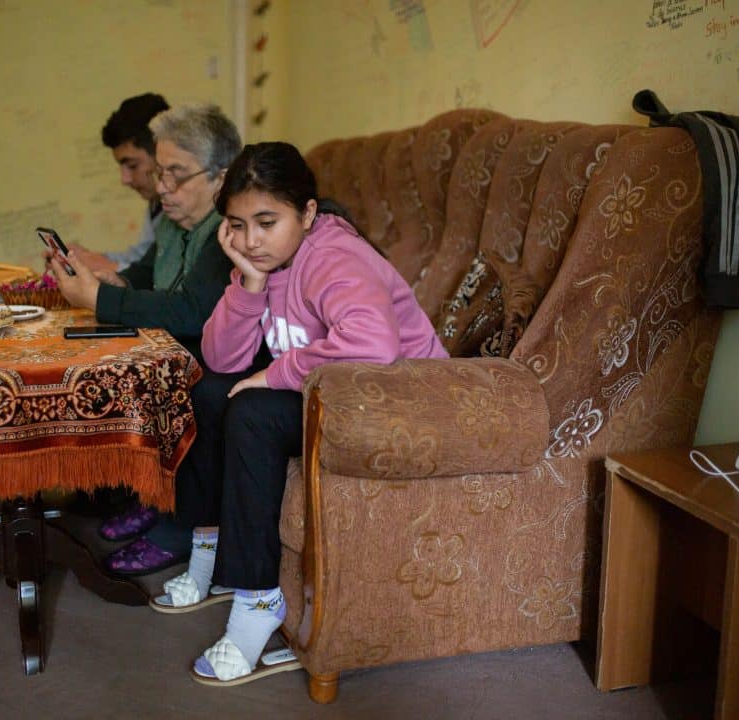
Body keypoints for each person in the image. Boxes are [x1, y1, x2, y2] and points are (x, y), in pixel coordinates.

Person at [149, 142, 450, 686]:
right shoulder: (264, 261)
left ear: (308, 214)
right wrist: (249, 280)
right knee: (210, 389)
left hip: (399, 398)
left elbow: (374, 344)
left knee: (253, 411)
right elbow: (221, 356)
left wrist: (274, 374)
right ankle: (209, 549)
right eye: (237, 226)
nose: (251, 240)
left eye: (267, 222)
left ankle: (259, 601)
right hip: (339, 392)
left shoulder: (333, 256)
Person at [49, 103, 242, 576]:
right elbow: (144, 274)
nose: (161, 189)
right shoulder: (177, 225)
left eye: (176, 175)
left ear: (221, 177)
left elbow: (193, 311)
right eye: (159, 174)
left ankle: (181, 526)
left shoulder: (227, 230)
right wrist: (107, 282)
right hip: (182, 345)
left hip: (225, 355)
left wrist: (101, 302)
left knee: (190, 384)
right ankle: (157, 497)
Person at [68, 92, 169, 274]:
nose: (125, 179)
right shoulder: (157, 202)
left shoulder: (184, 207)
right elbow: (142, 258)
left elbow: (164, 280)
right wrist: (86, 258)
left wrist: (106, 266)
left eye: (132, 165)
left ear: (162, 153)